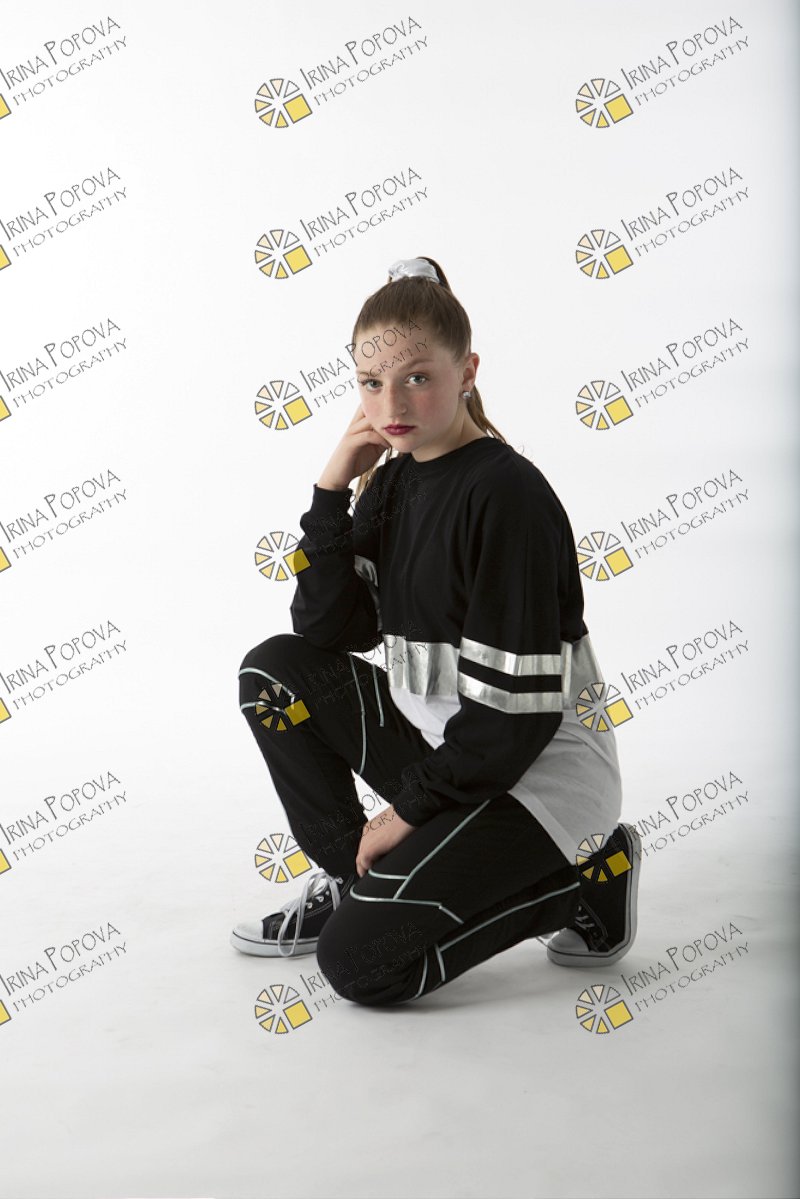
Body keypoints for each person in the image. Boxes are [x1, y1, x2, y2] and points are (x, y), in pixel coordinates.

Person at [231, 255, 642, 1006]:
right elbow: (325, 628)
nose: (392, 403)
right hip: (454, 756)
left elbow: (512, 720)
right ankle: (352, 880)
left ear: (467, 371)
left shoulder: (506, 495)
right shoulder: (392, 480)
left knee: (359, 968)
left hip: (534, 781)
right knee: (273, 672)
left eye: (417, 377)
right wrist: (331, 489)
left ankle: (588, 877)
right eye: (371, 382)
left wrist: (406, 810)